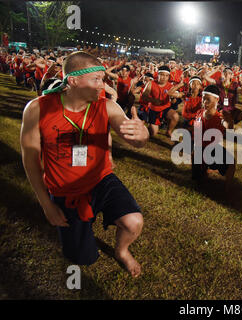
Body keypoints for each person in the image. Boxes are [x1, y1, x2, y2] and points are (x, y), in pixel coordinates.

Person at [20, 51, 149, 277]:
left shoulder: (106, 106)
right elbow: (30, 159)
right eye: (96, 79)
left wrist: (141, 135)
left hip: (101, 179)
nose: (103, 85)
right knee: (83, 258)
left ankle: (122, 251)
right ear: (73, 80)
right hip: (65, 189)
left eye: (103, 79)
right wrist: (46, 204)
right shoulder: (37, 109)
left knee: (133, 221)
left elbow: (133, 138)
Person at [191, 85, 236, 193]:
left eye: (208, 100)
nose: (205, 102)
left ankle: (204, 170)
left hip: (200, 151)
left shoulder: (216, 116)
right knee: (232, 163)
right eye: (203, 99)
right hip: (205, 151)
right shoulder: (203, 114)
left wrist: (229, 123)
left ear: (216, 99)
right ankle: (227, 188)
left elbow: (227, 125)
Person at [141, 65, 178, 138]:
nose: (164, 77)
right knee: (153, 133)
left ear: (168, 77)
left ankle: (169, 131)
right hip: (153, 109)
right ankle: (149, 125)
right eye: (162, 75)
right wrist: (153, 100)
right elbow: (144, 96)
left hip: (165, 108)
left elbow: (173, 102)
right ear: (158, 75)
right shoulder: (150, 83)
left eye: (166, 76)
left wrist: (173, 99)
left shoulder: (171, 86)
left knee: (175, 116)